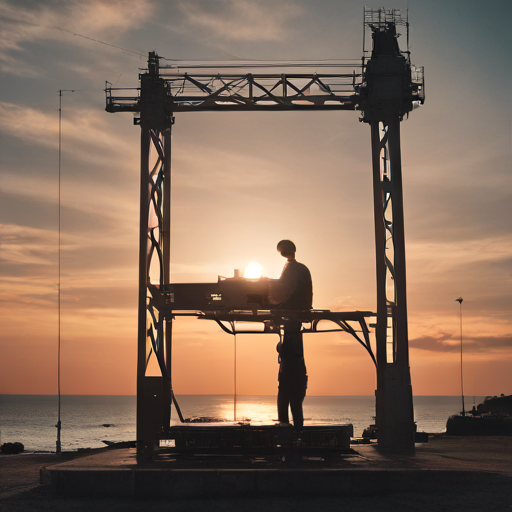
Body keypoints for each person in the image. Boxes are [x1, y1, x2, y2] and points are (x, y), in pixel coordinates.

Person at [271, 240, 312, 430]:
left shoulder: (293, 269)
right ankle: (295, 433)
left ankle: (290, 434)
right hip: (294, 375)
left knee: (287, 403)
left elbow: (287, 292)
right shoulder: (297, 268)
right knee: (293, 404)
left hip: (291, 376)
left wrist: (276, 308)